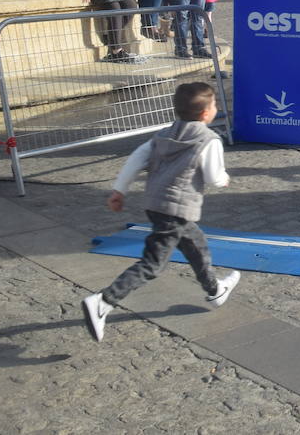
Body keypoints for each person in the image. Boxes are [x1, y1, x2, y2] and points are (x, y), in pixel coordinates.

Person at [80, 82, 241, 341]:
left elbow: (136, 158)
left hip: (155, 204)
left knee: (196, 244)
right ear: (205, 114)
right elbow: (213, 176)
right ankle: (104, 301)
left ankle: (214, 289)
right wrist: (223, 179)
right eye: (214, 105)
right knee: (153, 264)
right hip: (176, 209)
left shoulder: (164, 133)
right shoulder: (209, 140)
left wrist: (119, 190)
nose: (216, 108)